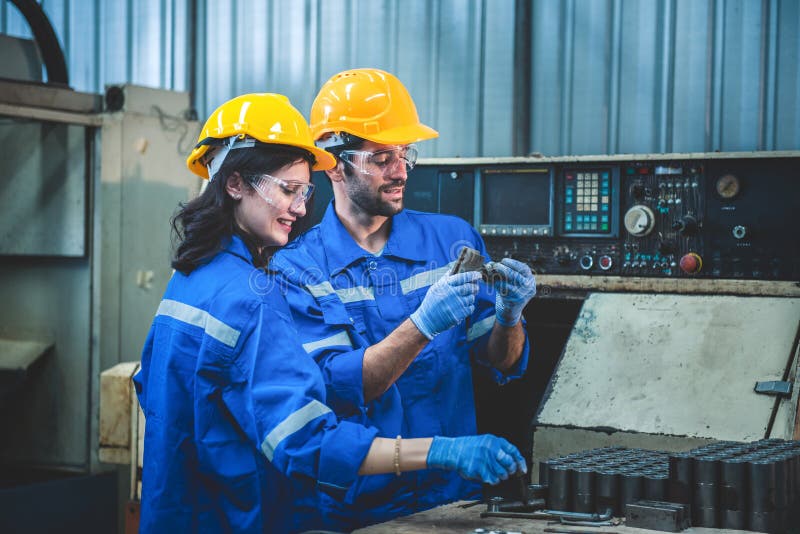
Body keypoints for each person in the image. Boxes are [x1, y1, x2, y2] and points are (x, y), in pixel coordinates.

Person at [132, 92, 526, 534]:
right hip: (247, 515)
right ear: (235, 183)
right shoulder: (259, 291)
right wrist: (442, 450)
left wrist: (509, 314)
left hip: (184, 510)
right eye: (287, 190)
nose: (300, 208)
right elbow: (307, 439)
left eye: (304, 192)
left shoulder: (189, 279)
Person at [271, 68, 538, 530]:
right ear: (334, 164)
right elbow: (339, 390)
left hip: (454, 499)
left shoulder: (451, 240)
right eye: (380, 158)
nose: (400, 171)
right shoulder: (297, 270)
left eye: (405, 154)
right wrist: (422, 326)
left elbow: (499, 360)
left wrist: (509, 317)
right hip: (359, 510)